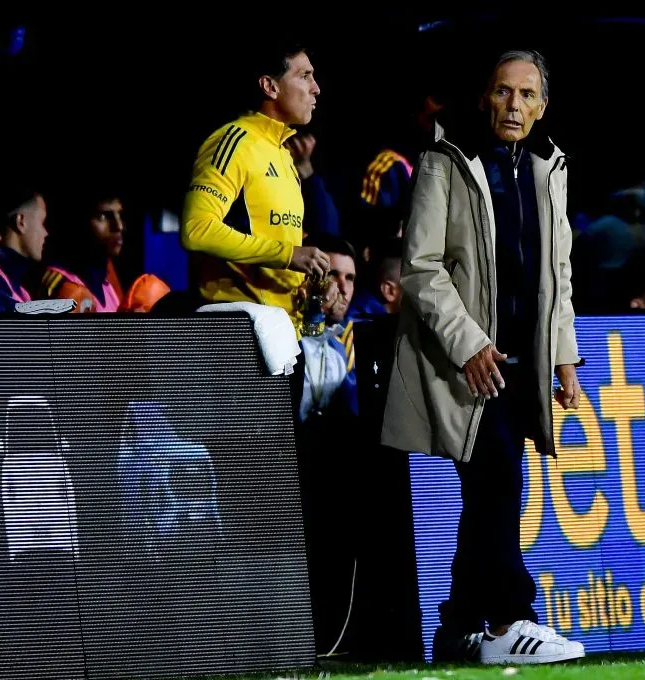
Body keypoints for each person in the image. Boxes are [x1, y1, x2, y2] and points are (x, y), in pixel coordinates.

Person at [380, 49, 585, 665]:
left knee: (495, 492)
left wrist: (565, 356)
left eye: (526, 95)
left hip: (525, 363)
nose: (513, 105)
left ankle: (459, 628)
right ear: (483, 98)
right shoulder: (446, 163)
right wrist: (469, 344)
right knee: (497, 480)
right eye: (502, 92)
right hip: (469, 362)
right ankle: (515, 618)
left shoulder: (552, 169)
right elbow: (420, 267)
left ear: (543, 107)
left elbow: (559, 271)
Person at [181, 36, 334, 332]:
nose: (316, 88)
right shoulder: (233, 142)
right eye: (305, 76)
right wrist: (289, 255)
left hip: (284, 334)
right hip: (238, 333)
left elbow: (275, 251)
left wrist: (308, 286)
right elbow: (195, 230)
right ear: (270, 86)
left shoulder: (284, 156)